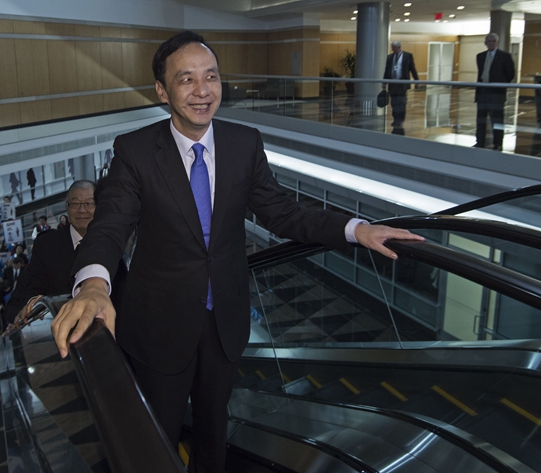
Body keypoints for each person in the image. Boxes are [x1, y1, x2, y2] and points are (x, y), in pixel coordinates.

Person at [50, 30, 422, 473]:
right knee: (154, 439)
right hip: (160, 327)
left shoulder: (244, 143)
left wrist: (355, 228)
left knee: (213, 434)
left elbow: (282, 212)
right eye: (187, 79)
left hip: (224, 323)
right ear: (162, 91)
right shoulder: (135, 151)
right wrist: (94, 284)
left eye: (211, 76)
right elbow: (110, 224)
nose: (203, 91)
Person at [4, 180, 127, 325]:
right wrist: (33, 304)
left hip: (109, 326)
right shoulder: (46, 244)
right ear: (67, 208)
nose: (82, 210)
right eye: (75, 204)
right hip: (60, 328)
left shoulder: (113, 241)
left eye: (89, 203)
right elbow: (33, 284)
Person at [474, 33, 515, 151]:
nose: (491, 43)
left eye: (493, 41)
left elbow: (510, 74)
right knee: (481, 119)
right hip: (482, 92)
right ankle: (480, 141)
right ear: (485, 43)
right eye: (489, 41)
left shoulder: (504, 56)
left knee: (496, 119)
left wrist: (500, 84)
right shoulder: (480, 56)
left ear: (497, 42)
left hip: (496, 93)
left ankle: (497, 143)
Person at [382, 41, 419, 128]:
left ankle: (400, 119)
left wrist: (416, 81)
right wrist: (384, 82)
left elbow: (412, 69)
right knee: (394, 102)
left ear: (399, 47)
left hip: (402, 83)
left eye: (394, 47)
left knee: (401, 102)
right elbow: (387, 70)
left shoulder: (407, 56)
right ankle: (395, 119)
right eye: (392, 47)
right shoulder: (390, 57)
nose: (392, 49)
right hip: (392, 83)